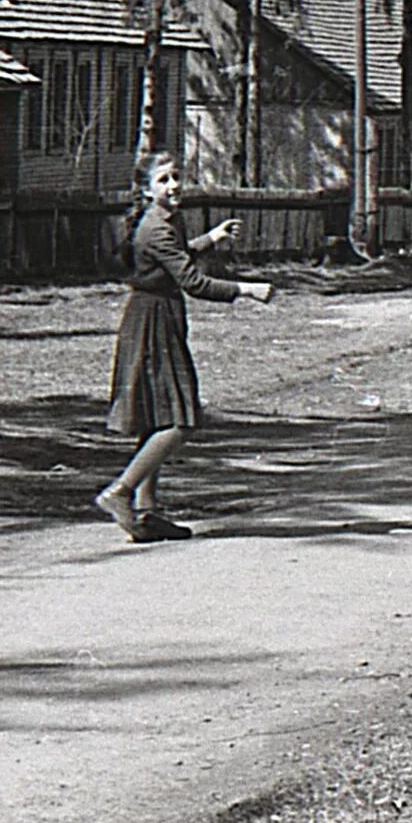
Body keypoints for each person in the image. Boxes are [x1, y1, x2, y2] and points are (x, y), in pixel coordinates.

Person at [97, 153, 274, 543]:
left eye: (177, 176)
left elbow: (174, 261)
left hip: (152, 317)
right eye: (163, 180)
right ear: (147, 189)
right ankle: (121, 492)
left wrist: (210, 239)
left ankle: (147, 513)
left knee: (156, 417)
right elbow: (193, 282)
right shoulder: (156, 228)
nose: (174, 185)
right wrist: (246, 289)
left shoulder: (164, 223)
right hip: (152, 322)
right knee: (180, 418)